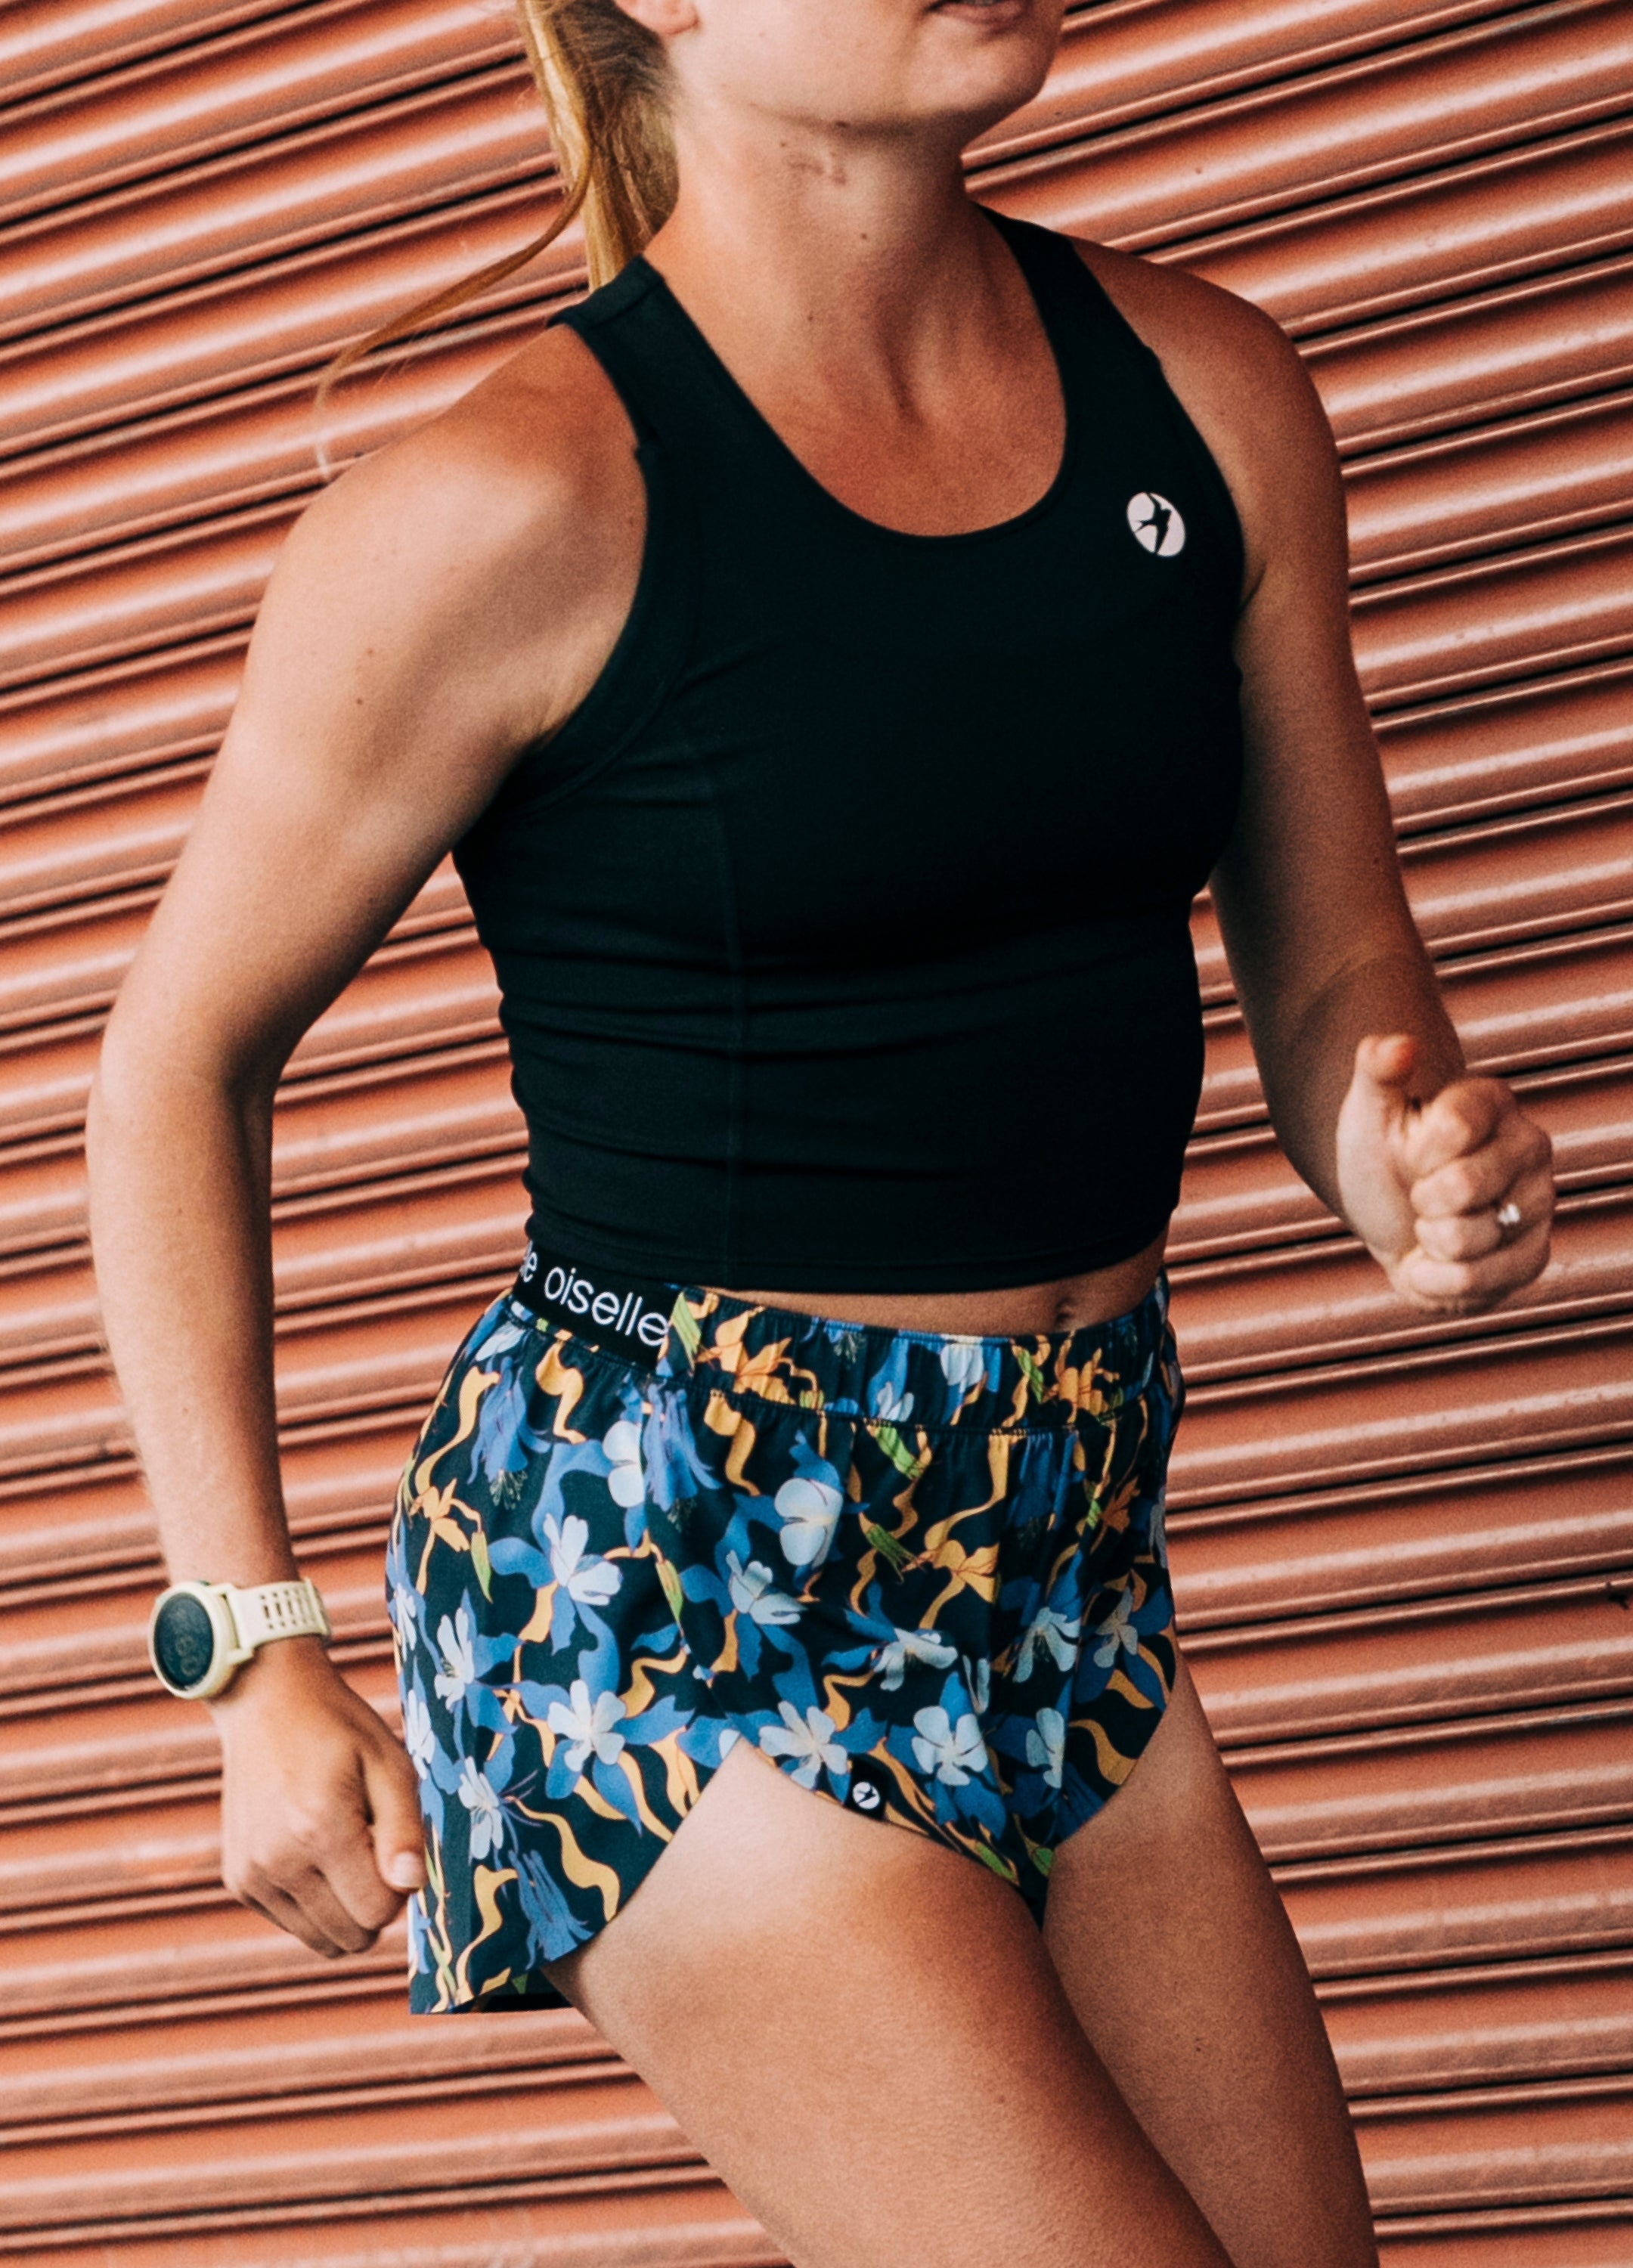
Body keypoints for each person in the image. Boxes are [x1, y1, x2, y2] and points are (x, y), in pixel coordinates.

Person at [85, 0, 1556, 2254]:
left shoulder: (1211, 397)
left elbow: (1341, 981)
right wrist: (251, 1645)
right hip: (658, 1575)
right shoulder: (513, 500)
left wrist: (1407, 1167)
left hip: (1061, 1549)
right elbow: (173, 1061)